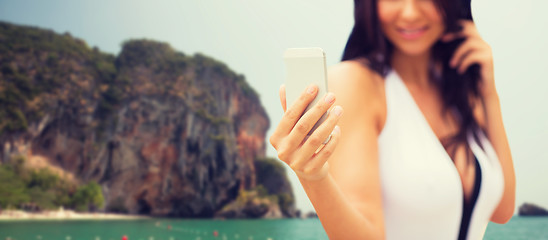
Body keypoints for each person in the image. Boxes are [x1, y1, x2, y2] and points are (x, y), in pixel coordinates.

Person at [269, 0, 516, 239]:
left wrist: (489, 93)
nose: (409, 13)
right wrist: (314, 177)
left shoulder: (460, 90)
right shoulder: (356, 84)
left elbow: (501, 210)